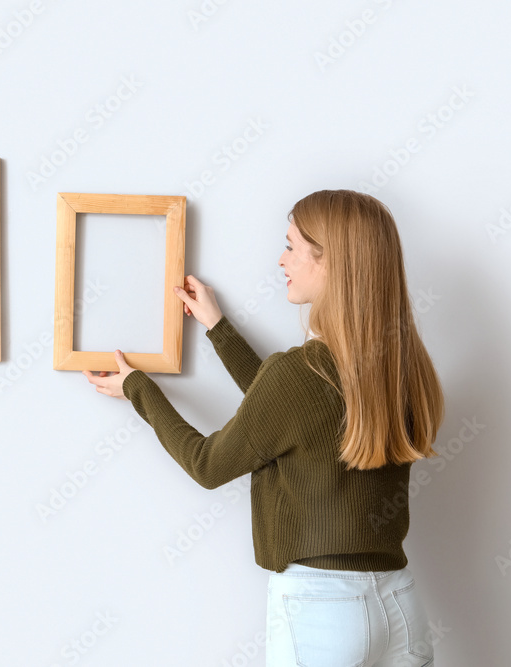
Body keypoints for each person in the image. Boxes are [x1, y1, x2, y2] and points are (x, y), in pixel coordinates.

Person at [83, 189, 444, 666]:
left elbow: (207, 464)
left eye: (292, 246)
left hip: (323, 613)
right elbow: (293, 413)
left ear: (331, 262)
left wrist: (139, 389)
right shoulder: (399, 368)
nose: (281, 259)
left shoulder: (301, 374)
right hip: (399, 605)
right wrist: (218, 328)